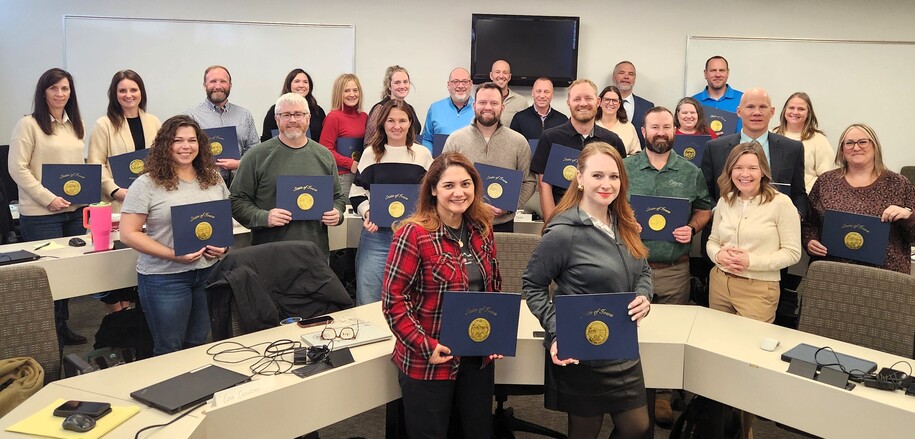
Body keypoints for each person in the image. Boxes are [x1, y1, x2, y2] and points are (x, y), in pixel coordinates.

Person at [523, 142, 652, 439]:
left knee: (637, 427)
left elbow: (643, 270)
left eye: (614, 176)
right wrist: (558, 330)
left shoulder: (626, 223)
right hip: (583, 350)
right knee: (585, 432)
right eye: (597, 176)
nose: (607, 184)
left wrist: (644, 296)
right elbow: (533, 284)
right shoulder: (563, 232)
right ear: (579, 179)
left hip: (622, 348)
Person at [382, 152, 501, 439]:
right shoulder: (413, 234)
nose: (459, 193)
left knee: (476, 431)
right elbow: (394, 301)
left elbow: (492, 287)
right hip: (430, 360)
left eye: (465, 184)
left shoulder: (481, 228)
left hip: (476, 357)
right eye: (449, 185)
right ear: (433, 189)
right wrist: (425, 345)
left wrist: (496, 335)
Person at [623, 107, 711, 427]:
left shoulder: (690, 172)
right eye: (654, 127)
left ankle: (662, 395)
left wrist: (693, 228)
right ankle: (629, 391)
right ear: (643, 132)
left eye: (666, 127)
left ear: (674, 131)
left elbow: (704, 208)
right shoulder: (624, 168)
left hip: (674, 267)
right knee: (630, 331)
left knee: (668, 335)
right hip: (631, 266)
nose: (660, 132)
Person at [706, 142, 800, 438]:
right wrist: (718, 256)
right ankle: (719, 426)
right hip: (720, 284)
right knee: (719, 357)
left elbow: (792, 254)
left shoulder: (781, 204)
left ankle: (745, 430)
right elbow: (711, 241)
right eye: (738, 168)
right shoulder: (725, 200)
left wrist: (751, 261)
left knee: (748, 363)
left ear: (763, 171)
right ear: (730, 171)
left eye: (751, 167)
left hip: (758, 289)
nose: (744, 174)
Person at [119, 115, 229, 356]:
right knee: (169, 348)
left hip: (207, 273)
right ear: (165, 145)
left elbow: (221, 223)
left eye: (192, 140)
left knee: (198, 344)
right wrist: (173, 255)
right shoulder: (146, 184)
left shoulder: (213, 178)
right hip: (165, 278)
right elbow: (128, 234)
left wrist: (223, 248)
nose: (186, 146)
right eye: (177, 140)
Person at [9, 67, 89, 346]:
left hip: (73, 211)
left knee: (68, 274)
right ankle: (45, 332)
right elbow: (17, 169)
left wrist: (86, 194)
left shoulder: (75, 124)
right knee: (46, 275)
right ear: (43, 92)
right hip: (42, 213)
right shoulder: (28, 124)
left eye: (65, 88)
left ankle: (62, 326)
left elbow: (78, 169)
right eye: (54, 88)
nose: (60, 93)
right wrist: (48, 198)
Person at [230, 93, 345, 256]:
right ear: (277, 119)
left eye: (298, 114)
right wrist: (264, 217)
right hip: (269, 254)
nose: (292, 120)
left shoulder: (324, 156)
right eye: (286, 115)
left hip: (315, 254)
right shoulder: (256, 156)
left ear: (308, 118)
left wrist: (337, 213)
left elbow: (338, 197)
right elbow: (236, 200)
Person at [87, 69, 162, 312]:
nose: (128, 95)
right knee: (115, 268)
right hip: (118, 202)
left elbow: (161, 159)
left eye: (133, 89)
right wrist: (115, 190)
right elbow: (95, 164)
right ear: (114, 94)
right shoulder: (104, 124)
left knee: (138, 262)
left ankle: (133, 320)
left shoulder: (153, 121)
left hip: (150, 202)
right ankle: (118, 322)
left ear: (141, 92)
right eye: (122, 90)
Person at [350, 100, 433, 305]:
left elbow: (432, 194)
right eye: (391, 120)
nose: (397, 126)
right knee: (369, 295)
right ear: (383, 124)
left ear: (410, 123)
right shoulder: (371, 154)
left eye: (402, 120)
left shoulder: (422, 154)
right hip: (376, 235)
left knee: (410, 296)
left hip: (413, 237)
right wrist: (368, 213)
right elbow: (357, 191)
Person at [803, 124, 915, 274]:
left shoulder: (899, 184)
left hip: (885, 276)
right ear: (842, 150)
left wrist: (908, 216)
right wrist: (810, 241)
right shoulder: (826, 181)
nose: (856, 148)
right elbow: (809, 222)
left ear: (875, 146)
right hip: (832, 273)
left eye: (863, 142)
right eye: (849, 143)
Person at [443, 82, 536, 232]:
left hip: (503, 226)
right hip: (462, 223)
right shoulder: (455, 140)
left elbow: (529, 181)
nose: (488, 107)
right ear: (474, 106)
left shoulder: (519, 142)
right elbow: (444, 182)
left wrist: (511, 206)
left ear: (502, 107)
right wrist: (470, 205)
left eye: (494, 103)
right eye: (482, 102)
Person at [701, 88, 808, 217]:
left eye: (763, 107)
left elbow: (799, 194)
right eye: (750, 107)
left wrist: (794, 217)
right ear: (739, 111)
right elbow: (704, 193)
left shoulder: (793, 149)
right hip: (726, 228)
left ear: (772, 111)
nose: (756, 112)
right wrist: (718, 213)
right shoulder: (714, 148)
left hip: (774, 230)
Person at [530, 79, 626, 221]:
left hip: (602, 221)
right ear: (568, 103)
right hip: (563, 219)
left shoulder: (612, 141)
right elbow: (544, 185)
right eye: (577, 99)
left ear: (598, 102)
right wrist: (551, 224)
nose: (583, 103)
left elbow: (620, 184)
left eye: (588, 98)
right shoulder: (550, 138)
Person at [186, 65, 259, 184]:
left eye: (223, 81)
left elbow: (254, 148)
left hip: (240, 180)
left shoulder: (244, 115)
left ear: (230, 85)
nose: (218, 86)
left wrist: (240, 164)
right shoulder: (191, 117)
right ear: (204, 85)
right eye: (213, 81)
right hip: (205, 182)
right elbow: (186, 151)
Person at [772, 92, 835, 193]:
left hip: (805, 198)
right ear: (785, 110)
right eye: (791, 108)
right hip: (771, 198)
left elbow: (826, 177)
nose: (795, 112)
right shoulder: (771, 135)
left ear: (808, 113)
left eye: (801, 109)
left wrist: (808, 192)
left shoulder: (819, 140)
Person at [319, 73, 367, 198]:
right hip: (343, 177)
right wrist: (350, 164)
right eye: (347, 91)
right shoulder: (333, 117)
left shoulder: (364, 117)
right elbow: (325, 150)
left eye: (355, 90)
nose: (352, 94)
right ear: (338, 94)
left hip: (362, 174)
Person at [260, 68, 327, 143]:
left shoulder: (318, 111)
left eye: (305, 82)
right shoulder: (276, 110)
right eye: (297, 81)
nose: (301, 85)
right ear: (289, 85)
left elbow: (324, 140)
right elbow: (266, 140)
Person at [363, 65, 421, 144]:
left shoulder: (410, 109)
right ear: (389, 86)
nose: (402, 86)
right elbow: (369, 143)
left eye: (405, 82)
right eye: (397, 82)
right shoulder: (380, 109)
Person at [420, 68, 475, 151]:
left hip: (470, 163)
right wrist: (430, 157)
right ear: (448, 85)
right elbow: (427, 139)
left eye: (464, 81)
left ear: (471, 84)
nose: (460, 86)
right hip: (441, 162)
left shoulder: (480, 110)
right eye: (455, 81)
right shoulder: (435, 108)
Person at [611, 61, 655, 148]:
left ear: (634, 79)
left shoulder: (647, 107)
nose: (626, 77)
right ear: (613, 77)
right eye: (621, 73)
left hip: (638, 158)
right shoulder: (602, 105)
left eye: (631, 74)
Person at [596, 85, 641, 156]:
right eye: (607, 100)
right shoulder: (591, 125)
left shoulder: (629, 127)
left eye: (614, 100)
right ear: (600, 102)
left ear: (619, 104)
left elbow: (637, 155)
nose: (611, 103)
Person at [489, 59, 528, 126]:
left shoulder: (522, 102)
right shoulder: (482, 100)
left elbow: (526, 127)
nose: (501, 76)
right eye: (497, 72)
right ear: (491, 75)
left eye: (505, 72)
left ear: (509, 77)